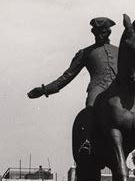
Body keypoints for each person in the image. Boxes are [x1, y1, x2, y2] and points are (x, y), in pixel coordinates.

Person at [27, 17, 118, 154]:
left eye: (103, 32)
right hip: (98, 87)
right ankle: (87, 140)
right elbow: (67, 76)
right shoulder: (85, 53)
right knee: (91, 105)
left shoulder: (120, 51)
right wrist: (45, 90)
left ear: (108, 33)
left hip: (117, 87)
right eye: (97, 33)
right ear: (93, 33)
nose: (100, 35)